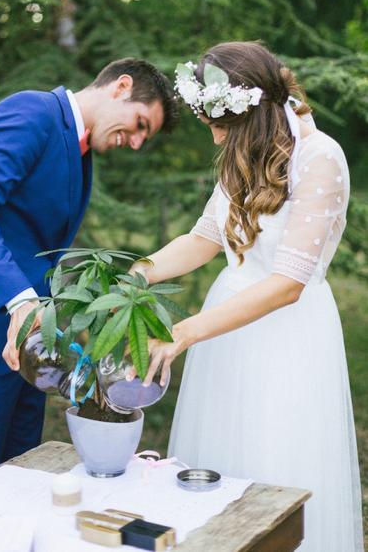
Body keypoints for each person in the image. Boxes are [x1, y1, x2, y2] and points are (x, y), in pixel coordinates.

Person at [131, 42, 363, 552]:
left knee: (272, 461)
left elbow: (287, 284)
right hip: (225, 328)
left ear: (254, 112)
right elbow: (203, 239)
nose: (214, 134)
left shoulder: (320, 157)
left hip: (288, 335)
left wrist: (184, 331)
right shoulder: (240, 152)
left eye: (221, 122)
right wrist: (133, 276)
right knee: (218, 458)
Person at [0, 58, 177, 493]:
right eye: (141, 123)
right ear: (120, 86)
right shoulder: (30, 112)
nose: (137, 143)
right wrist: (19, 300)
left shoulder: (78, 147)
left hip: (31, 348)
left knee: (18, 484)